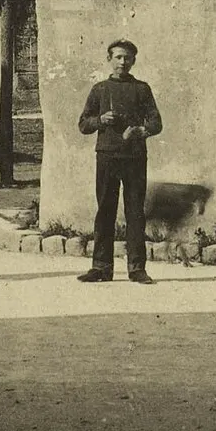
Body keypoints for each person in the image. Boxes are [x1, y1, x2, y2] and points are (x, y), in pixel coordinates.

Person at [77, 39, 162, 283]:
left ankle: (137, 268)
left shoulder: (142, 89)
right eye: (118, 57)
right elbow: (83, 124)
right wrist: (101, 120)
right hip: (106, 156)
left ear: (134, 61)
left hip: (134, 158)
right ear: (109, 60)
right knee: (105, 211)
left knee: (135, 212)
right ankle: (101, 268)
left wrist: (140, 131)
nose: (122, 62)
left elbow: (156, 123)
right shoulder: (99, 90)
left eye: (127, 58)